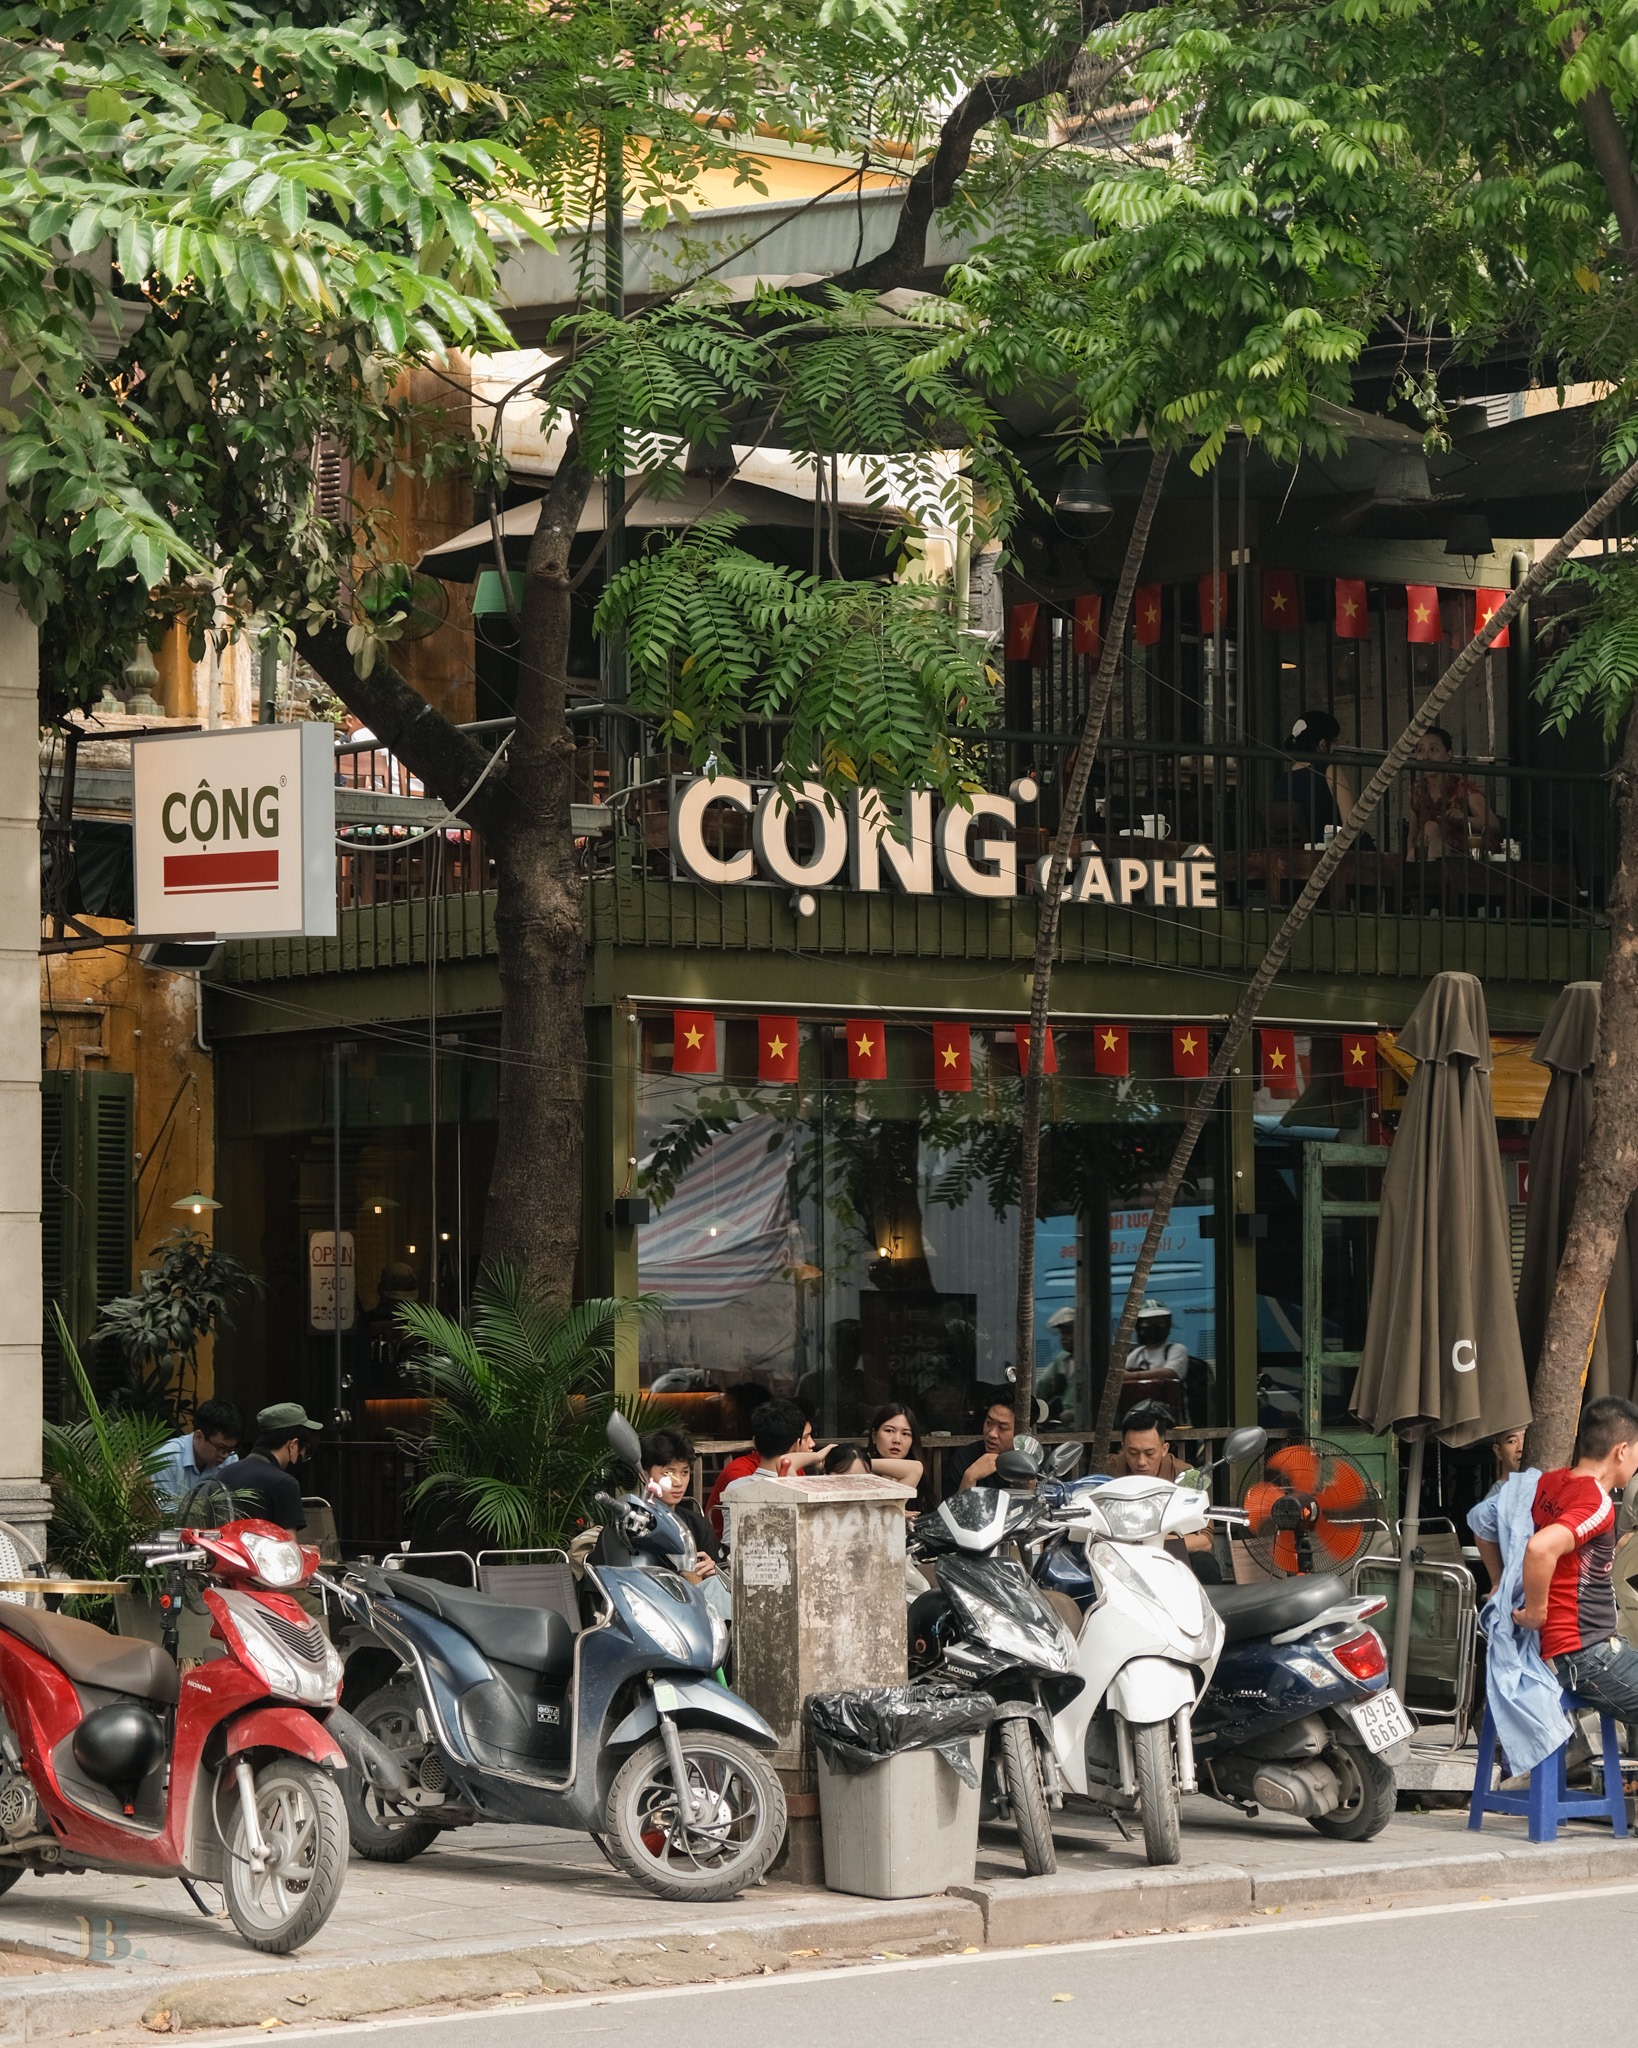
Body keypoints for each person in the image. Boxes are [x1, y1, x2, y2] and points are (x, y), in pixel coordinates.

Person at [1477, 1395, 1638, 1743]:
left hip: (1570, 1650)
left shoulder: (1549, 1483)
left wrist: (1499, 1581)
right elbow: (1540, 1547)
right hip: (1585, 1655)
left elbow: (1482, 1517)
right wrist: (1536, 1613)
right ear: (1622, 1451)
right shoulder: (1597, 1502)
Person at [1106, 1401, 1220, 1582]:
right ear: (1123, 1447)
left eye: (1149, 1453)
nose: (1141, 1462)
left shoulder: (1184, 1475)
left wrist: (1153, 1543)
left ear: (1164, 1449)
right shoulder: (1109, 1471)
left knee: (1205, 1564)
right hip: (1121, 1555)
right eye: (1133, 1453)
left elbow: (1205, 1540)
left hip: (1171, 1554)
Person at [705, 1399, 823, 1541]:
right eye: (806, 1437)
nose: (812, 1443)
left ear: (756, 1442)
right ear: (795, 1444)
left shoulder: (735, 1486)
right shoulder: (796, 1489)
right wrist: (817, 1457)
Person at [1406, 726, 1501, 860]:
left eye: (1433, 749)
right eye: (1420, 750)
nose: (1425, 757)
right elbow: (1412, 835)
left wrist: (1464, 819)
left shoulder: (1463, 787)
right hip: (1428, 855)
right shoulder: (1417, 790)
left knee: (1430, 828)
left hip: (1464, 858)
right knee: (1427, 831)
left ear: (1448, 754)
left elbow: (1493, 824)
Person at [641, 1428, 721, 1577]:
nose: (678, 1482)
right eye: (668, 1473)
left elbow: (716, 1582)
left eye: (684, 1472)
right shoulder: (626, 1527)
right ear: (645, 1476)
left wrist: (711, 1572)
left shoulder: (699, 1526)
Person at [230, 1403, 323, 1531]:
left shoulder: (225, 1473)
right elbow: (289, 1542)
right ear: (293, 1445)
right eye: (303, 1455)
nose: (302, 1460)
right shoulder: (285, 1483)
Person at [1271, 712, 1355, 840]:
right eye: (1334, 741)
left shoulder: (1281, 781)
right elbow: (1352, 825)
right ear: (1322, 744)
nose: (1336, 747)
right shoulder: (1330, 770)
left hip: (1292, 851)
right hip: (1330, 849)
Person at [152, 1398, 242, 1517]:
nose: (225, 1455)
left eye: (230, 1450)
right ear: (198, 1436)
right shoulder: (166, 1459)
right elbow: (164, 1513)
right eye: (221, 1448)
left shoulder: (231, 1460)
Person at [950, 1394, 1017, 1495]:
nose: (992, 1433)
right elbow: (951, 1505)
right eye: (989, 1423)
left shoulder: (1037, 1464)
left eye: (1002, 1428)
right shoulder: (964, 1458)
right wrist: (969, 1478)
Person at [864, 1404, 926, 1492]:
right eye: (889, 1430)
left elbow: (915, 1469)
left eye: (905, 1434)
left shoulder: (916, 1474)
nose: (897, 1440)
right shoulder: (858, 1471)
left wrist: (862, 1462)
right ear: (874, 1435)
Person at [1126, 1302, 1187, 1380]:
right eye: (1148, 1322)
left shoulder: (1177, 1349)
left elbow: (1171, 1372)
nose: (1154, 1327)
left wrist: (1134, 1375)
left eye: (1160, 1322)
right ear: (1139, 1326)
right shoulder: (1138, 1353)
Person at [1038, 1308, 1078, 1424]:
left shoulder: (1094, 1363)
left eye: (1069, 1332)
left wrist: (1071, 1414)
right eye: (1062, 1333)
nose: (1064, 1337)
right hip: (1059, 1423)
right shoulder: (1061, 1359)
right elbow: (1042, 1384)